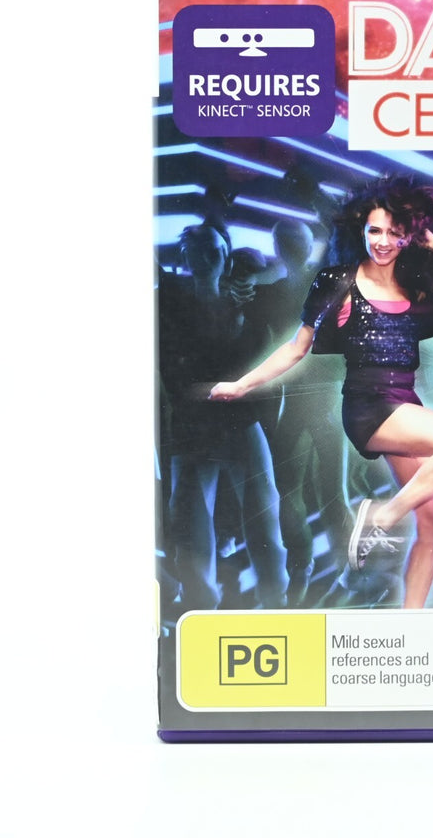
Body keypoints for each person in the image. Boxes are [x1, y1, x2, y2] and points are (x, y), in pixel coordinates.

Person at [210, 179, 433, 609]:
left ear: (409, 236)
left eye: (395, 232)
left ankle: (412, 623)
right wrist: (241, 384)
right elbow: (296, 347)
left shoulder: (415, 280)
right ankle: (382, 516)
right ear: (360, 231)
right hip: (370, 407)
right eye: (374, 230)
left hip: (405, 405)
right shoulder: (337, 281)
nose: (383, 241)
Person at [158, 220, 285, 613]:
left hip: (237, 421)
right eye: (196, 251)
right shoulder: (169, 303)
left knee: (264, 516)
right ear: (185, 257)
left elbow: (287, 269)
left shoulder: (243, 303)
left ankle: (275, 601)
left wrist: (251, 280)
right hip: (194, 428)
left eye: (212, 251)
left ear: (226, 256)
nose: (204, 259)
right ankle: (202, 607)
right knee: (193, 527)